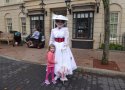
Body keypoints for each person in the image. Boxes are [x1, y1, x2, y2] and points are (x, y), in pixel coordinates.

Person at [49, 14, 77, 82]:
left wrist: (65, 46)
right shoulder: (53, 30)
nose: (59, 23)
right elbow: (51, 39)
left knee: (63, 60)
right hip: (55, 46)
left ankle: (63, 73)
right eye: (58, 21)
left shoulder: (65, 29)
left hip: (63, 47)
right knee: (55, 59)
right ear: (56, 22)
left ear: (63, 23)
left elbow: (66, 39)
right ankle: (57, 74)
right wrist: (50, 47)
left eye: (61, 22)